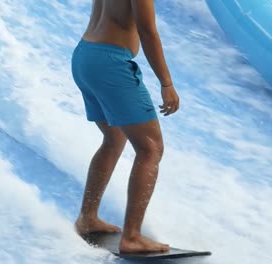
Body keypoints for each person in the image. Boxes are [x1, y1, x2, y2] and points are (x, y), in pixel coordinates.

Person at [71, 0, 179, 254]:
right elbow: (147, 30)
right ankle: (132, 237)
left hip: (86, 55)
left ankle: (88, 217)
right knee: (150, 149)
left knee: (114, 138)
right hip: (111, 63)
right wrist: (166, 83)